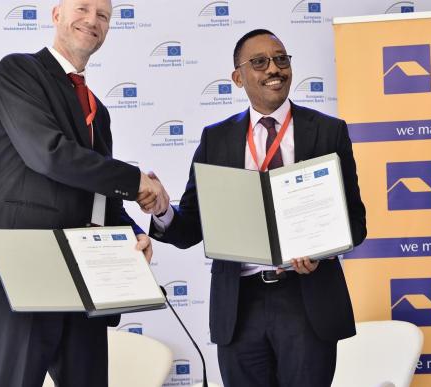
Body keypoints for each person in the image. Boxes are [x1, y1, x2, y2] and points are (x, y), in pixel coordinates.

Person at [0, 0, 165, 385]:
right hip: (23, 269)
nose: (92, 20)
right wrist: (134, 180)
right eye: (82, 8)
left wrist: (130, 233)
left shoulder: (98, 110)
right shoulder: (19, 71)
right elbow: (48, 154)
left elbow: (97, 194)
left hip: (87, 279)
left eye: (103, 16)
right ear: (56, 15)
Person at [147, 29, 367, 387]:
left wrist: (322, 251)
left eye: (281, 59)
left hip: (306, 299)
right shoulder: (215, 139)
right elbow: (191, 227)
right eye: (259, 62)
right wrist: (161, 210)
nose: (273, 69)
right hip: (239, 304)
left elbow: (355, 221)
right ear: (238, 77)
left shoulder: (328, 132)